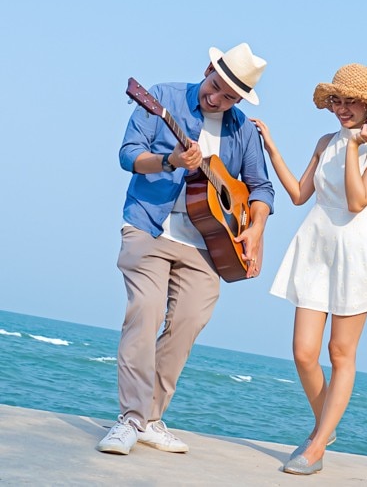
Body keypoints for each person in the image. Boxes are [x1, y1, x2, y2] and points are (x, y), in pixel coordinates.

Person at [251, 63, 367, 475]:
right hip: (316, 245)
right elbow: (301, 195)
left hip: (354, 251)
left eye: (347, 100)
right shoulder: (325, 140)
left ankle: (316, 447)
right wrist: (274, 151)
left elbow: (356, 202)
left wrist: (356, 146)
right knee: (302, 353)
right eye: (335, 100)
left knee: (340, 353)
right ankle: (325, 428)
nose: (340, 108)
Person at [97, 43, 274, 455]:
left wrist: (256, 227)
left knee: (189, 322)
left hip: (207, 243)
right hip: (148, 226)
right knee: (145, 313)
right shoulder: (161, 98)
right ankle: (130, 419)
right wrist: (170, 161)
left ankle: (152, 417)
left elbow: (260, 187)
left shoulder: (242, 129)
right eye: (215, 86)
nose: (217, 98)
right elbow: (127, 156)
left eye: (229, 96)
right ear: (209, 68)